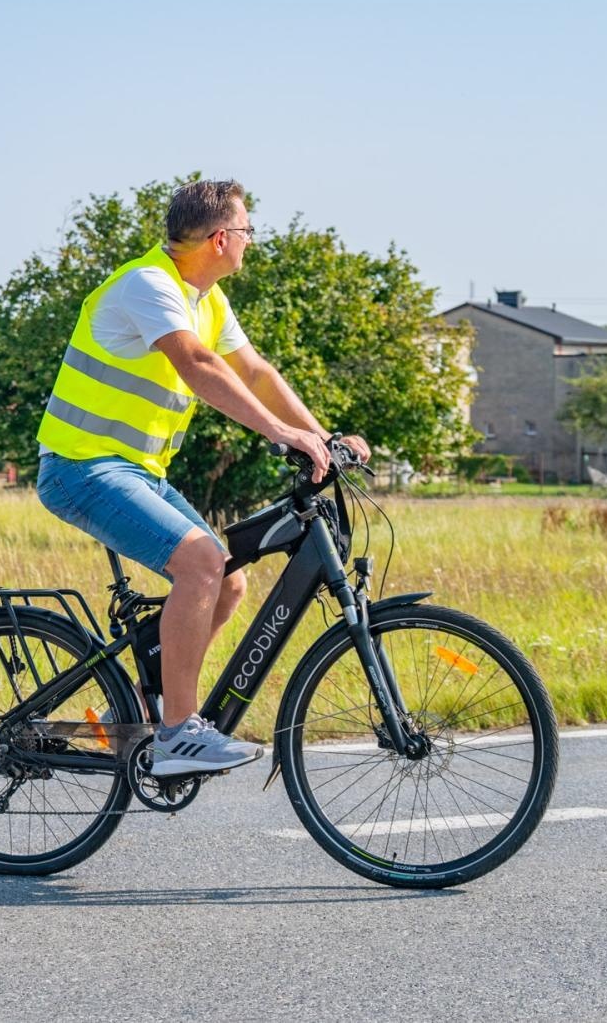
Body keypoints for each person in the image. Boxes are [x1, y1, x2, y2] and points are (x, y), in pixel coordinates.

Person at [35, 178, 369, 777]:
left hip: (137, 471)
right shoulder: (149, 284)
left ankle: (150, 701)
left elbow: (256, 372)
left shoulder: (206, 298)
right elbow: (197, 364)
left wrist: (321, 436)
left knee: (229, 580)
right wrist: (279, 434)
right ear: (221, 237)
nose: (249, 240)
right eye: (246, 230)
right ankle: (176, 734)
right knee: (201, 562)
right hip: (81, 467)